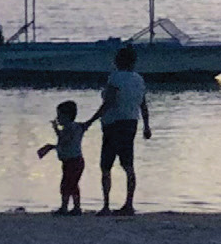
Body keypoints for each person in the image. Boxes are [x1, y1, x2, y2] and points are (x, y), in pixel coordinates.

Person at [94, 44, 152, 215]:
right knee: (128, 165)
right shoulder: (139, 79)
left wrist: (90, 120)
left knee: (106, 165)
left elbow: (109, 102)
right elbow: (143, 104)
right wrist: (146, 126)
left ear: (117, 61)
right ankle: (129, 204)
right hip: (131, 123)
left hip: (113, 124)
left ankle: (106, 205)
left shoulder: (115, 78)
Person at [37, 99, 94, 214]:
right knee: (72, 184)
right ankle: (75, 207)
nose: (58, 118)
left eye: (60, 116)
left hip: (73, 162)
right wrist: (56, 129)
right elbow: (63, 138)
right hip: (73, 161)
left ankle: (65, 207)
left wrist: (50, 147)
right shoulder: (75, 127)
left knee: (66, 184)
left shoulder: (70, 129)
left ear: (68, 116)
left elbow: (64, 142)